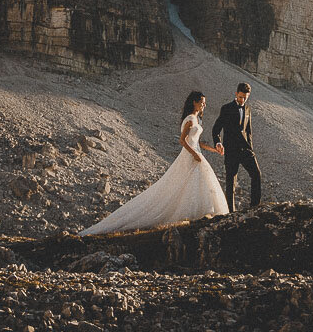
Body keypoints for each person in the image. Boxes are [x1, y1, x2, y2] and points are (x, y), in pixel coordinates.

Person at [80, 90, 228, 234]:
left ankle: (201, 213)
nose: (204, 105)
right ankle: (191, 214)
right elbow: (182, 141)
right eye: (202, 103)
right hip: (190, 155)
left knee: (197, 182)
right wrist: (195, 154)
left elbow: (198, 142)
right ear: (194, 103)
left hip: (197, 155)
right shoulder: (189, 119)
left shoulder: (197, 119)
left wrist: (214, 150)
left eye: (205, 103)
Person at [211, 82, 262, 211]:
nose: (242, 100)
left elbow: (248, 130)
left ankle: (255, 206)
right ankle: (230, 212)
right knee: (230, 182)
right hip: (231, 151)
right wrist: (218, 142)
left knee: (256, 174)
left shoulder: (248, 109)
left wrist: (250, 147)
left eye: (245, 97)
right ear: (236, 94)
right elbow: (216, 129)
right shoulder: (226, 108)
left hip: (246, 150)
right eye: (240, 97)